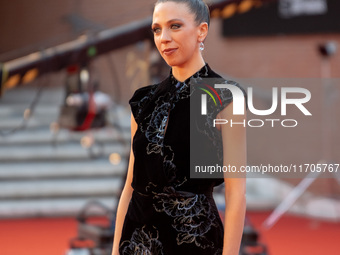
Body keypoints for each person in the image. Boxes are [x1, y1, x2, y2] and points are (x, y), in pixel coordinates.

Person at [111, 0, 247, 254]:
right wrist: (115, 250)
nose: (164, 38)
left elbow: (236, 193)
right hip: (138, 242)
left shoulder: (225, 97)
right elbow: (131, 185)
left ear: (201, 31)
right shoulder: (143, 101)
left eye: (175, 26)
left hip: (195, 242)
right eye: (157, 29)